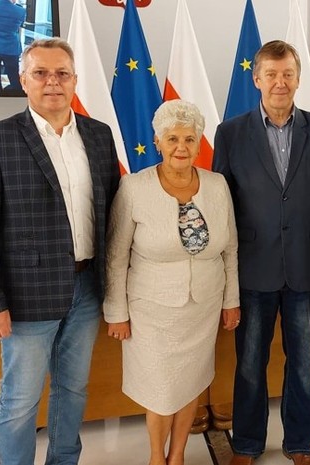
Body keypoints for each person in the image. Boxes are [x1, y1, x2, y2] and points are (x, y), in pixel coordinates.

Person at [0, 38, 121, 465]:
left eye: (62, 73)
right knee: (20, 398)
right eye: (41, 73)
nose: (53, 82)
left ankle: (64, 460)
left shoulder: (99, 135)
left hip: (87, 288)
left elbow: (113, 212)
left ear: (74, 80)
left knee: (73, 389)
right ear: (23, 80)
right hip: (25, 295)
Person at [213, 40, 310, 465]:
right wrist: (225, 271)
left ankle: (300, 443)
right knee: (250, 363)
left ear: (298, 78)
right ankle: (247, 444)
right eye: (271, 74)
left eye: (287, 73)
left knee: (304, 362)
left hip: (308, 267)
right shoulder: (230, 132)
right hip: (253, 268)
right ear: (256, 79)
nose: (280, 82)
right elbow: (221, 205)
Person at [104, 99, 240, 465]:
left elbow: (230, 248)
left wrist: (231, 301)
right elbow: (115, 256)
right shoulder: (134, 187)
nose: (181, 147)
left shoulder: (217, 184)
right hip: (151, 311)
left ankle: (177, 455)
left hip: (203, 307)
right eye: (173, 139)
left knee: (190, 382)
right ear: (158, 143)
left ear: (199, 143)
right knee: (161, 390)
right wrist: (116, 312)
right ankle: (155, 457)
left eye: (190, 139)